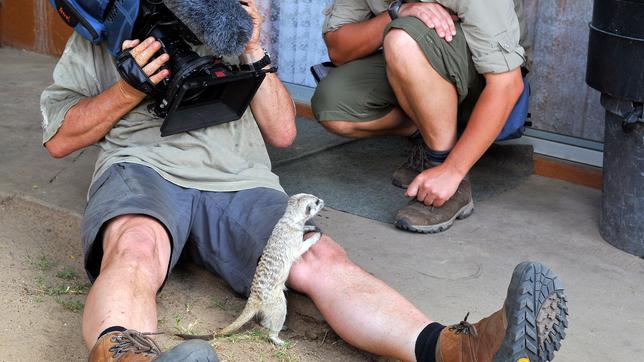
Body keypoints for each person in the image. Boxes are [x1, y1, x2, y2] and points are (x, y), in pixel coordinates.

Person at [41, 0, 567, 361]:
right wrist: (128, 89)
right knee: (135, 245)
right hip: (144, 168)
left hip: (241, 179)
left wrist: (253, 47)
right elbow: (61, 138)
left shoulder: (225, 17)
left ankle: (454, 350)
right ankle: (127, 355)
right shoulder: (110, 21)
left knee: (321, 258)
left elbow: (284, 131)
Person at [312, 0, 530, 234]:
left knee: (403, 40)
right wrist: (398, 11)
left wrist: (452, 171)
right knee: (334, 106)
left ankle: (449, 178)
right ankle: (429, 132)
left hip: (483, 83)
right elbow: (339, 49)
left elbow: (506, 84)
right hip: (417, 61)